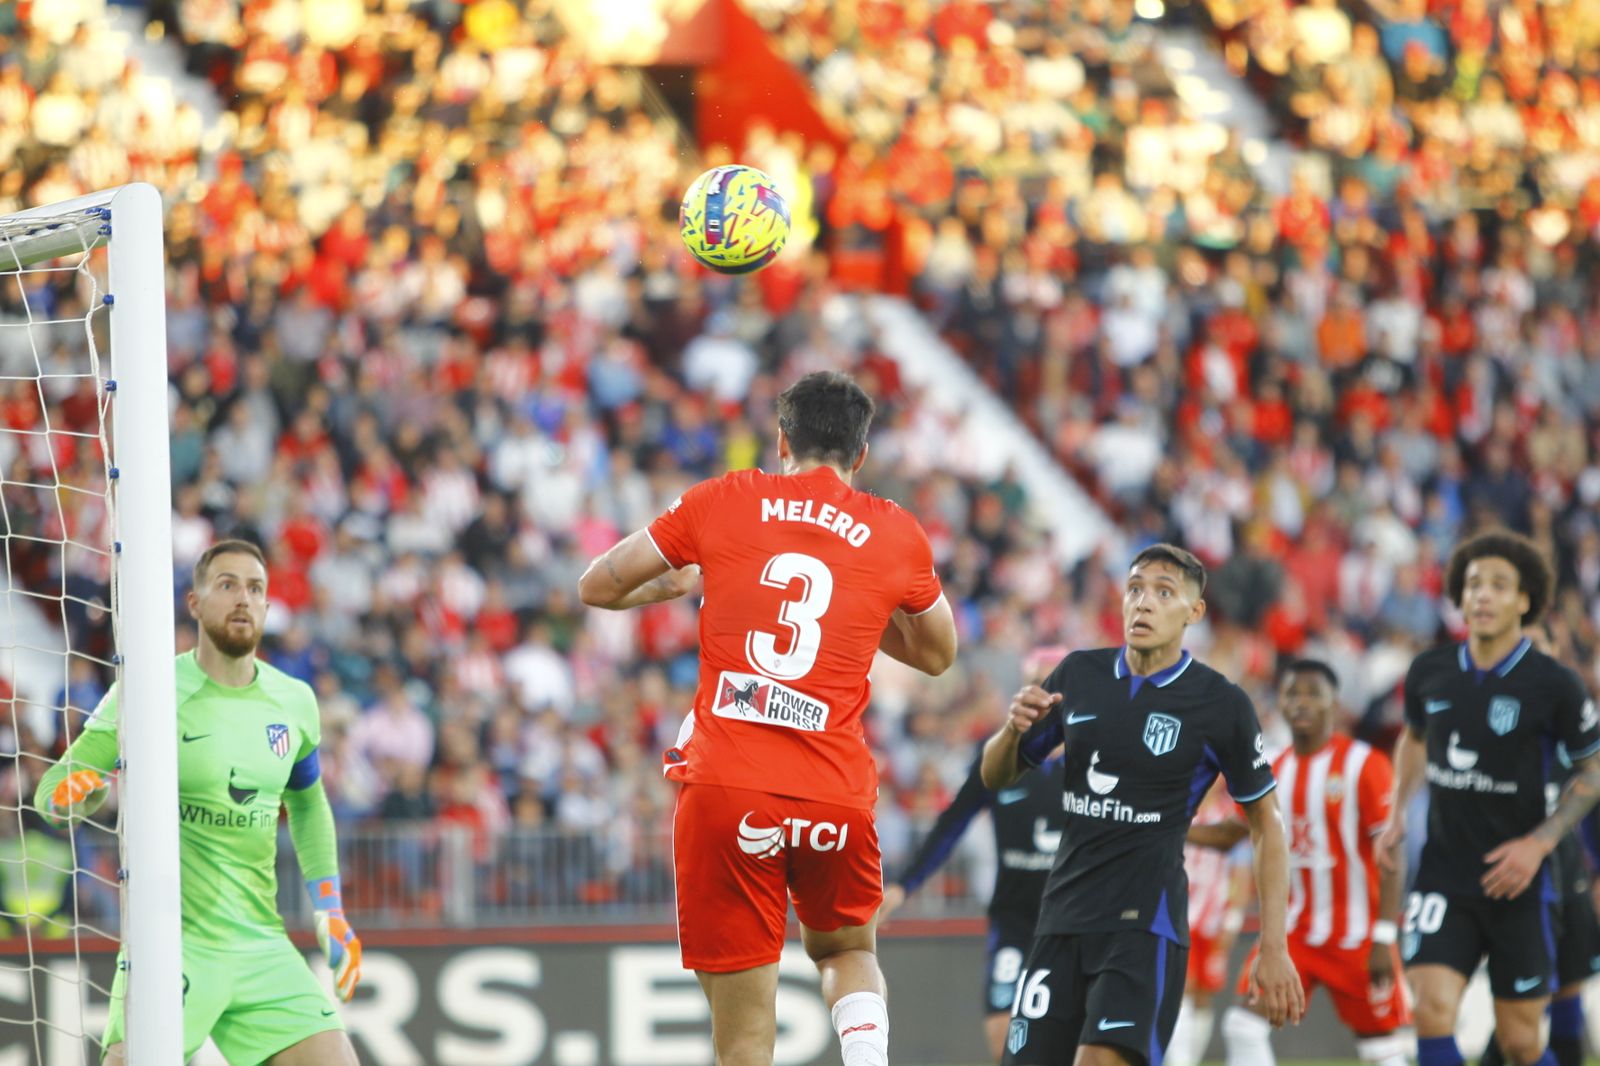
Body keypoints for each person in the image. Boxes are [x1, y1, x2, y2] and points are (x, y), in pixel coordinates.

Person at [578, 371, 958, 1066]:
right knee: (847, 948)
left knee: (744, 1046)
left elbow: (598, 584)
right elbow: (940, 653)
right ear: (861, 456)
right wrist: (860, 609)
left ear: (781, 442)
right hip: (835, 792)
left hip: (728, 789)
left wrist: (683, 581)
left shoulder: (725, 498)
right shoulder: (895, 530)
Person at [36, 539, 361, 1065]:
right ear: (195, 603)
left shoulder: (294, 700)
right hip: (173, 944)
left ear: (268, 607)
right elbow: (54, 789)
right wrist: (78, 798)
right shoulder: (148, 690)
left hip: (262, 943)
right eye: (227, 585)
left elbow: (307, 803)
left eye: (255, 588)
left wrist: (330, 908)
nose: (243, 599)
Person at [980, 543, 1305, 1066]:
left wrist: (1273, 945)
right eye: (1135, 590)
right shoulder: (1077, 676)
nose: (1144, 603)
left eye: (1163, 592)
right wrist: (1010, 728)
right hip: (1060, 919)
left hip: (1143, 927)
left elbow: (1266, 825)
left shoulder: (1220, 704)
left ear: (1193, 613)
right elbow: (997, 774)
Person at [1376, 530, 1600, 1066]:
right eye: (1474, 583)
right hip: (1443, 874)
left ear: (1525, 600)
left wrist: (1539, 844)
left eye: (1499, 585)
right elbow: (1414, 737)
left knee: (1521, 1043)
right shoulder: (1429, 671)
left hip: (1519, 882)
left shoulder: (1556, 684)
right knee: (1430, 1010)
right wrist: (1397, 812)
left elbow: (1592, 770)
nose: (1482, 595)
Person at [1187, 658, 1411, 1065]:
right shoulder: (1271, 768)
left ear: (1334, 703)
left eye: (1313, 693)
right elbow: (1228, 835)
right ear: (1282, 705)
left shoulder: (1364, 764)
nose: (1301, 702)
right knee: (1241, 1026)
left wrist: (1384, 935)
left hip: (1357, 936)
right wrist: (1165, 827)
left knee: (1381, 1050)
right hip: (1293, 934)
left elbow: (1391, 852)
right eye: (1292, 693)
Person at [879, 647, 1069, 1063]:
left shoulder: (1095, 759)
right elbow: (952, 822)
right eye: (1040, 682)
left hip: (1076, 925)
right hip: (1015, 921)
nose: (1049, 694)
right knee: (1004, 1038)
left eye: (1058, 684)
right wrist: (902, 886)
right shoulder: (1002, 755)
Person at [1479, 624, 1600, 1066]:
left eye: (1536, 645)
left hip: (1566, 861)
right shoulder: (1490, 711)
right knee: (1520, 996)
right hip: (1505, 862)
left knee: (1567, 984)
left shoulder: (1573, 711)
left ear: (1555, 651)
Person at [1165, 780, 1253, 1066]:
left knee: (1204, 995)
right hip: (1179, 916)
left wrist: (1233, 920)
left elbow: (1242, 873)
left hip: (1213, 921)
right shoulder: (1178, 809)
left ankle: (1191, 1057)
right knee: (1182, 988)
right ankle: (1180, 1060)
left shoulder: (1230, 816)